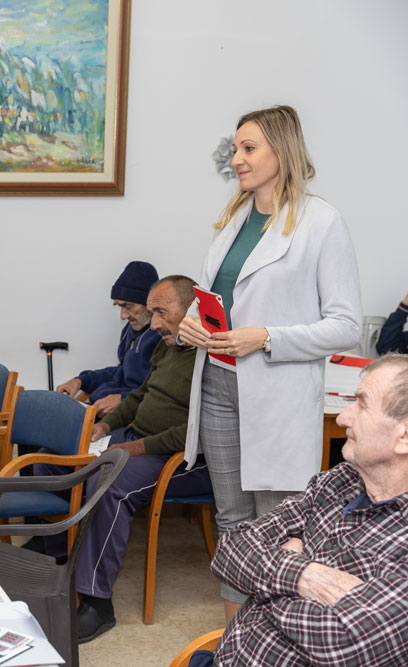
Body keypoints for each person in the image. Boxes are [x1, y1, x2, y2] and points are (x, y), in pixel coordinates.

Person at [177, 105, 362, 624]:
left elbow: (345, 325)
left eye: (249, 148)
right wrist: (191, 323)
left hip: (277, 394)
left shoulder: (322, 223)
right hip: (217, 384)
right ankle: (237, 638)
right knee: (233, 521)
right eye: (235, 148)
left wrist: (267, 338)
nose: (236, 158)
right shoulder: (234, 219)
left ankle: (276, 638)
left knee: (279, 527)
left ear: (282, 150)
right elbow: (212, 296)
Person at [206, 354, 408, 666]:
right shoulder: (339, 481)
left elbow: (340, 642)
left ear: (404, 437)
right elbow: (230, 550)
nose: (343, 418)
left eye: (362, 404)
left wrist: (270, 578)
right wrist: (303, 575)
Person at [67, 276, 212, 643]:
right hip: (139, 440)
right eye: (153, 313)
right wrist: (106, 426)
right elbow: (139, 395)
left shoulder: (212, 359)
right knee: (67, 457)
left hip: (180, 458)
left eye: (162, 313)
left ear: (191, 310)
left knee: (109, 483)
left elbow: (198, 432)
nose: (155, 323)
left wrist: (134, 448)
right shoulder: (167, 346)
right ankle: (57, 554)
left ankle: (97, 603)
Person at [57, 261, 161, 417]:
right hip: (106, 407)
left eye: (128, 306)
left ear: (149, 303)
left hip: (134, 413)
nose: (123, 316)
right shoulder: (130, 329)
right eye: (119, 306)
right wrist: (80, 381)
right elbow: (121, 372)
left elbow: (161, 391)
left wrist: (123, 399)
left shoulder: (164, 337)